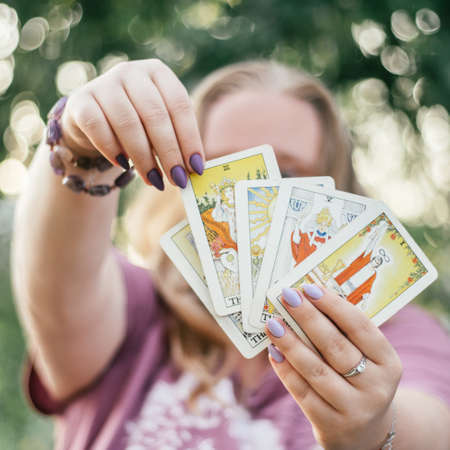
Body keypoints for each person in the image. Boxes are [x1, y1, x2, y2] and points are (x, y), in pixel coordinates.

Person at [11, 59, 450, 449]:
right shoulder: (140, 311)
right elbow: (54, 272)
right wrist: (80, 142)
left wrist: (376, 431)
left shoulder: (393, 333)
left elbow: (433, 427)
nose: (247, 196)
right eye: (219, 167)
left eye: (285, 171)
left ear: (333, 194)